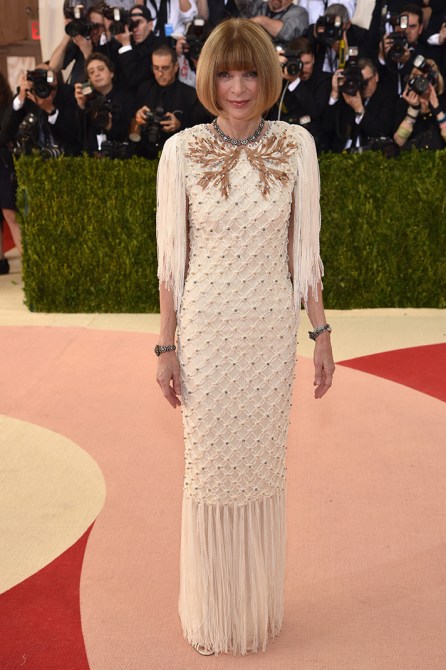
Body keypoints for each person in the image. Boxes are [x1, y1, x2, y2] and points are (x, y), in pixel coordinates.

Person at [155, 18, 334, 656]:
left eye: (250, 73)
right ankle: (211, 612)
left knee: (260, 470)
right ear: (209, 78)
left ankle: (252, 608)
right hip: (206, 333)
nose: (238, 88)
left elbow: (303, 251)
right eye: (226, 74)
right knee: (208, 471)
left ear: (268, 77)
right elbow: (171, 262)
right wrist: (166, 346)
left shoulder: (296, 146)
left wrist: (320, 331)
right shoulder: (179, 152)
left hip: (267, 334)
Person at [133, 45, 205, 156]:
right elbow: (132, 124)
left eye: (165, 68)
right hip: (145, 153)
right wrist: (137, 117)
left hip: (178, 154)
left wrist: (180, 126)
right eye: (156, 68)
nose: (160, 73)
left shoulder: (190, 94)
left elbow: (201, 132)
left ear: (175, 67)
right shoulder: (144, 89)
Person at [273, 36, 332, 152]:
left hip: (314, 144)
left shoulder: (323, 80)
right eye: (299, 64)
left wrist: (295, 81)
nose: (303, 69)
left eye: (307, 63)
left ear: (313, 59)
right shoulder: (283, 78)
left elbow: (315, 110)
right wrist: (273, 65)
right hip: (285, 143)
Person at [324, 57, 396, 151]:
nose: (364, 86)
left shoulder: (388, 98)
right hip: (342, 152)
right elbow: (327, 127)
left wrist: (359, 110)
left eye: (366, 81)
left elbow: (382, 132)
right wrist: (334, 94)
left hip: (370, 154)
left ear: (376, 76)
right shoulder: (348, 94)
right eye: (360, 82)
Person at [74, 52, 135, 155]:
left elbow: (130, 133)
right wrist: (81, 105)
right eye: (91, 72)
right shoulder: (87, 101)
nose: (96, 74)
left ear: (111, 73)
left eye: (101, 69)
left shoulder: (126, 98)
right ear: (89, 80)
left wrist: (110, 126)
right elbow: (78, 135)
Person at [393, 57, 446, 149]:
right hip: (411, 156)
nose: (423, 83)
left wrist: (438, 111)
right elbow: (399, 142)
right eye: (419, 78)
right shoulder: (403, 104)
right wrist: (413, 110)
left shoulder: (443, 103)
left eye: (427, 79)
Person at [0, 73, 22, 274]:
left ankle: (29, 264)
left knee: (10, 213)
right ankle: (1, 261)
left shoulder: (8, 107)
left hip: (4, 164)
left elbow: (5, 134)